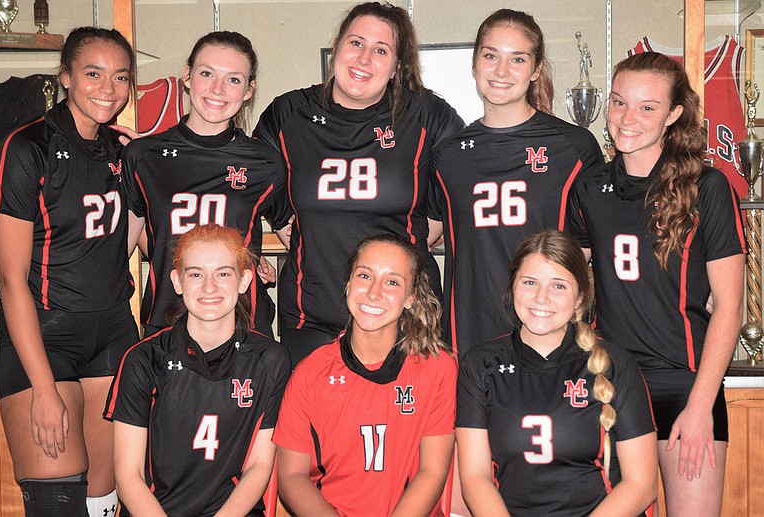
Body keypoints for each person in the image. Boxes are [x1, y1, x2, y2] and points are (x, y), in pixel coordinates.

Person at [566, 52, 746, 516]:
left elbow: (730, 306)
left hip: (684, 385)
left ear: (673, 114)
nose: (628, 118)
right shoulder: (588, 187)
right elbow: (567, 284)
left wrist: (702, 405)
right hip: (611, 385)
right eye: (619, 102)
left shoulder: (707, 187)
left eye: (647, 107)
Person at [254, 1, 464, 367]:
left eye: (380, 50)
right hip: (312, 316)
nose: (364, 59)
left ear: (397, 65)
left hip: (404, 314)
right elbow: (254, 179)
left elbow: (464, 181)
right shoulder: (288, 114)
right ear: (337, 45)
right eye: (356, 43)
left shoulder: (426, 115)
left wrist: (414, 244)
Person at [0, 27, 137, 516]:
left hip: (113, 334)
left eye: (120, 77)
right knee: (59, 504)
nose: (107, 89)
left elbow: (124, 244)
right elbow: (10, 282)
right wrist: (44, 389)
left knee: (105, 501)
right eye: (93, 73)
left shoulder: (123, 150)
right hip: (43, 338)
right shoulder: (27, 148)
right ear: (66, 76)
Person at [430, 9, 603, 358]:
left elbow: (599, 239)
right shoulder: (448, 156)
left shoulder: (574, 148)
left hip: (552, 332)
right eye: (490, 55)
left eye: (518, 59)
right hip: (469, 335)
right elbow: (422, 234)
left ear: (536, 69)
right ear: (475, 62)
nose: (501, 71)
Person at [456, 230, 658, 516]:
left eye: (559, 286)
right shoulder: (479, 365)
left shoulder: (615, 364)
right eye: (529, 282)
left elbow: (641, 484)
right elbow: (475, 478)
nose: (542, 298)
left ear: (579, 298)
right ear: (513, 286)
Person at [105, 224, 290, 516]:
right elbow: (129, 478)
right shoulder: (143, 359)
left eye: (223, 273)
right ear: (177, 282)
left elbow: (259, 465)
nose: (209, 287)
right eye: (195, 274)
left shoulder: (271, 360)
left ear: (244, 281)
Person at [121, 31, 289, 338]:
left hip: (246, 325)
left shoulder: (266, 161)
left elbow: (297, 236)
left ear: (249, 90)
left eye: (234, 79)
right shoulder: (144, 156)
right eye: (207, 73)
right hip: (169, 321)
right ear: (187, 75)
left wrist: (248, 254)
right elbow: (122, 248)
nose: (218, 89)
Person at [274, 234, 456, 516]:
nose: (374, 293)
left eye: (392, 282)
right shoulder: (310, 374)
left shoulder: (438, 368)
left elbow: (431, 471)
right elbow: (291, 477)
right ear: (348, 284)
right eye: (364, 276)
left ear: (411, 298)